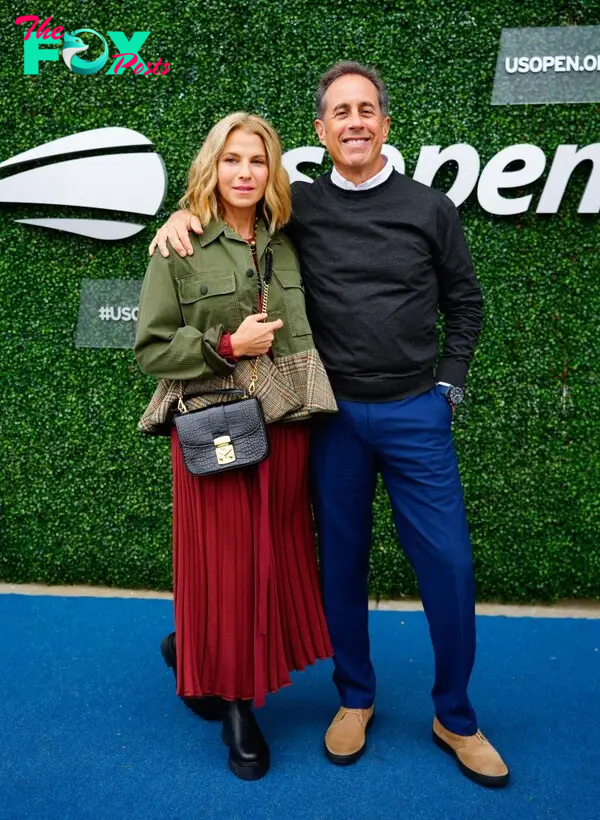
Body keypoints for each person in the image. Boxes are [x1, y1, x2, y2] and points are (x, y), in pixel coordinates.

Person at [149, 63, 510, 788]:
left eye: (366, 109)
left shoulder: (429, 208)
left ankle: (456, 715)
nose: (354, 122)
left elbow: (465, 304)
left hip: (416, 414)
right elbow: (230, 217)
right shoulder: (298, 211)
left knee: (450, 565)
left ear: (384, 122)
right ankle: (355, 697)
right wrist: (181, 217)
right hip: (331, 418)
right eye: (340, 111)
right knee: (338, 565)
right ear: (320, 130)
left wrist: (448, 387)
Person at [134, 112, 337, 782]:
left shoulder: (288, 234)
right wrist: (226, 347)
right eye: (231, 160)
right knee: (224, 564)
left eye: (257, 160)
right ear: (211, 168)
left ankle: (193, 650)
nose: (244, 173)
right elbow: (152, 348)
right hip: (215, 430)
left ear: (271, 169)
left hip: (286, 429)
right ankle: (239, 708)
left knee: (269, 561)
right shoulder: (180, 244)